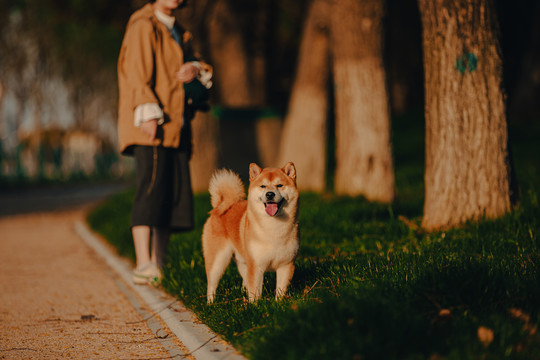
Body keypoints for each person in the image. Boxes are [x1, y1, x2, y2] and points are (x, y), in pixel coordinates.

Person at [117, 0, 212, 285]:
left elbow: (201, 65)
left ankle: (160, 262)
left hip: (176, 124)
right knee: (151, 188)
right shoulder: (143, 26)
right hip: (152, 123)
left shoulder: (179, 31)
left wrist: (194, 68)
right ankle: (143, 262)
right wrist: (147, 111)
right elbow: (135, 73)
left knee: (170, 193)